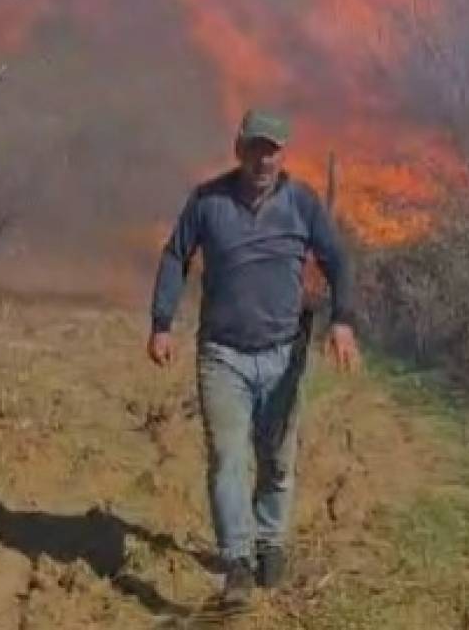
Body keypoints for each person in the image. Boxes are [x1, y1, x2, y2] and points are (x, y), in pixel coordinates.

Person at [148, 108, 360, 609]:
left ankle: (269, 542)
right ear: (239, 148)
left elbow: (337, 260)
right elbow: (175, 255)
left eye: (274, 149)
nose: (265, 158)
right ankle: (237, 561)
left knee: (278, 461)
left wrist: (343, 320)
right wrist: (161, 323)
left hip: (284, 355)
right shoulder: (208, 202)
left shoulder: (302, 203)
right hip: (223, 355)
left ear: (283, 154)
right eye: (257, 147)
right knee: (227, 458)